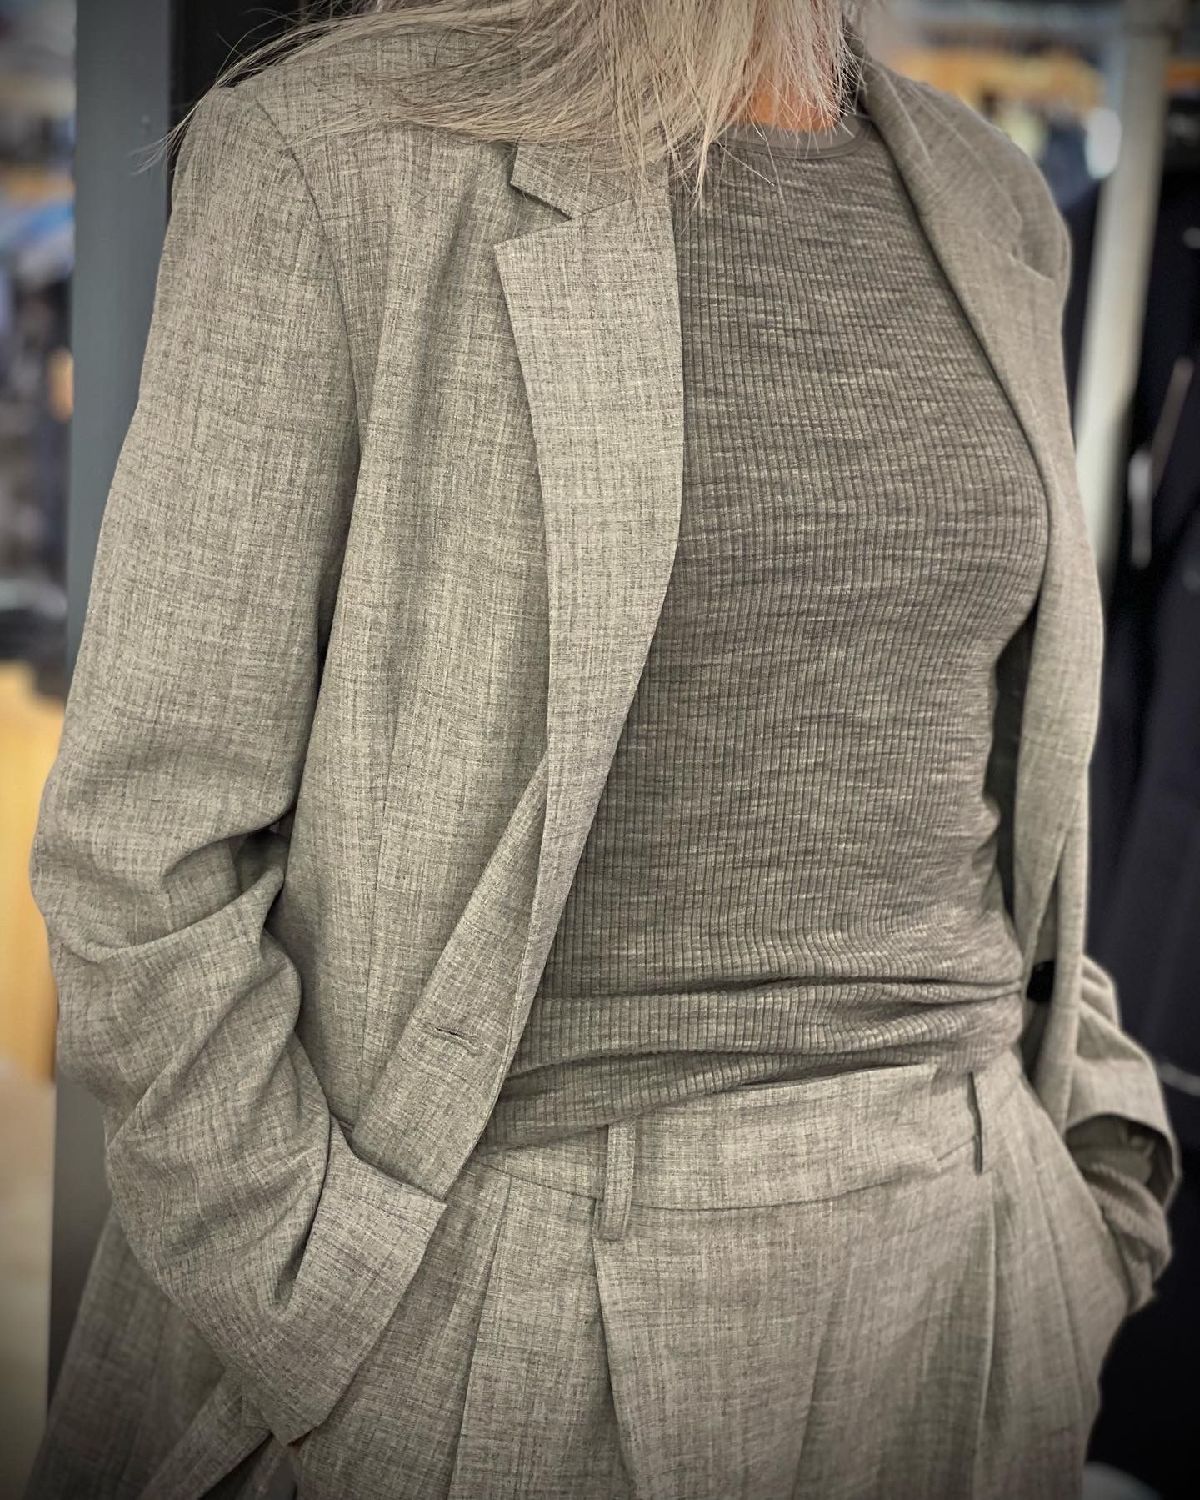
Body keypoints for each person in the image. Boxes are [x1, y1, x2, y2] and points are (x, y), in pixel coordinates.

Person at [23, 3, 1182, 1498]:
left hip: (980, 1255)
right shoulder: (344, 152)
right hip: (516, 1288)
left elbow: (1012, 769)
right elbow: (141, 849)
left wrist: (1093, 1179)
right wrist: (321, 1304)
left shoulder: (986, 193)